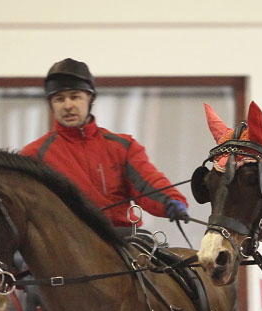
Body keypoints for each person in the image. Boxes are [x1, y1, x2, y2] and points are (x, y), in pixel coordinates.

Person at [21, 58, 190, 228]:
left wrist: (171, 201)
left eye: (75, 97)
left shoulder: (122, 147)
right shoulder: (34, 155)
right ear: (51, 105)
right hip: (66, 241)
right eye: (59, 99)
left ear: (90, 99)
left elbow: (147, 183)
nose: (67, 105)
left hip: (120, 238)